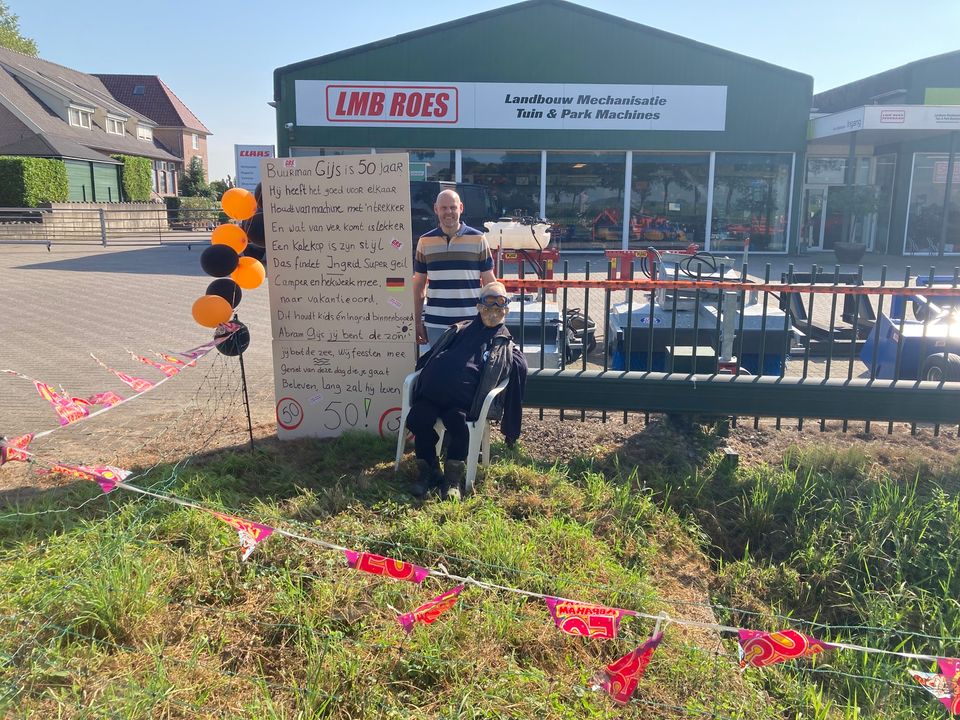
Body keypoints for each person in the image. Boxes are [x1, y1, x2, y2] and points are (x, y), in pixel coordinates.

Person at [406, 281, 527, 501]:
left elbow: (515, 367)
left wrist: (516, 359)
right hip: (432, 395)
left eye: (500, 304)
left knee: (458, 424)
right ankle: (429, 470)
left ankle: (453, 479)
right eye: (489, 302)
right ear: (479, 306)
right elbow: (435, 353)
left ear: (507, 309)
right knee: (417, 418)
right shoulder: (459, 329)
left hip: (462, 403)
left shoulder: (503, 342)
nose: (494, 309)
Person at [413, 189, 497, 347]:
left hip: (471, 323)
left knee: (471, 370)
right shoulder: (425, 242)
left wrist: (494, 318)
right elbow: (419, 286)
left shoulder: (479, 239)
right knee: (440, 371)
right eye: (444, 208)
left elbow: (489, 282)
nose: (448, 212)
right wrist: (417, 322)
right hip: (436, 324)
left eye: (453, 207)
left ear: (461, 208)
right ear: (436, 209)